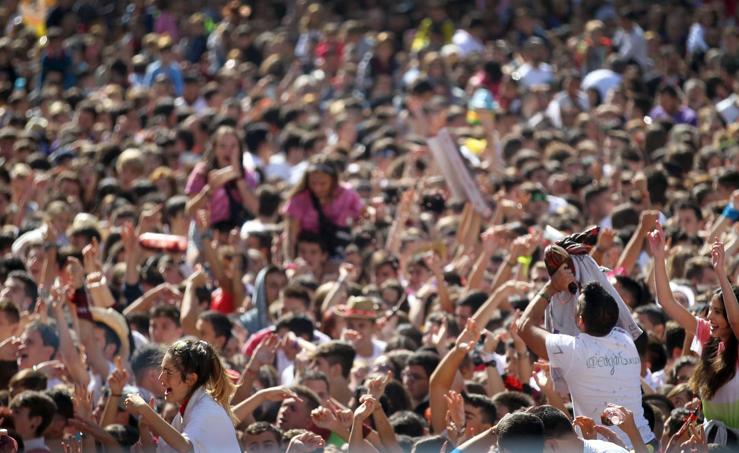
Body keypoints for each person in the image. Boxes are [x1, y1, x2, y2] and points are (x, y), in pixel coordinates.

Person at [518, 281, 655, 449]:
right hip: (646, 443)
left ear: (580, 320)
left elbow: (524, 327)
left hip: (611, 448)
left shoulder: (573, 350)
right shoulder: (625, 339)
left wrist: (552, 287)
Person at [649, 223, 739, 434]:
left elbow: (736, 322)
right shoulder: (709, 336)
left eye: (717, 312)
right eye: (710, 310)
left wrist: (720, 274)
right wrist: (659, 257)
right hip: (712, 439)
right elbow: (666, 301)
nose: (709, 316)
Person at [124, 339, 240, 453]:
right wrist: (144, 428)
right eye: (162, 370)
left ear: (191, 379)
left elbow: (186, 448)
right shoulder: (187, 412)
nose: (161, 378)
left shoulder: (207, 410)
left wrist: (145, 409)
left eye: (168, 372)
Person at [283, 155, 363, 260]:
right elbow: (290, 237)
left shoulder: (347, 195)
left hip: (340, 253)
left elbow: (361, 220)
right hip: (307, 256)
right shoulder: (299, 199)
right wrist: (290, 262)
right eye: (313, 183)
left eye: (323, 183)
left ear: (333, 180)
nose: (317, 188)